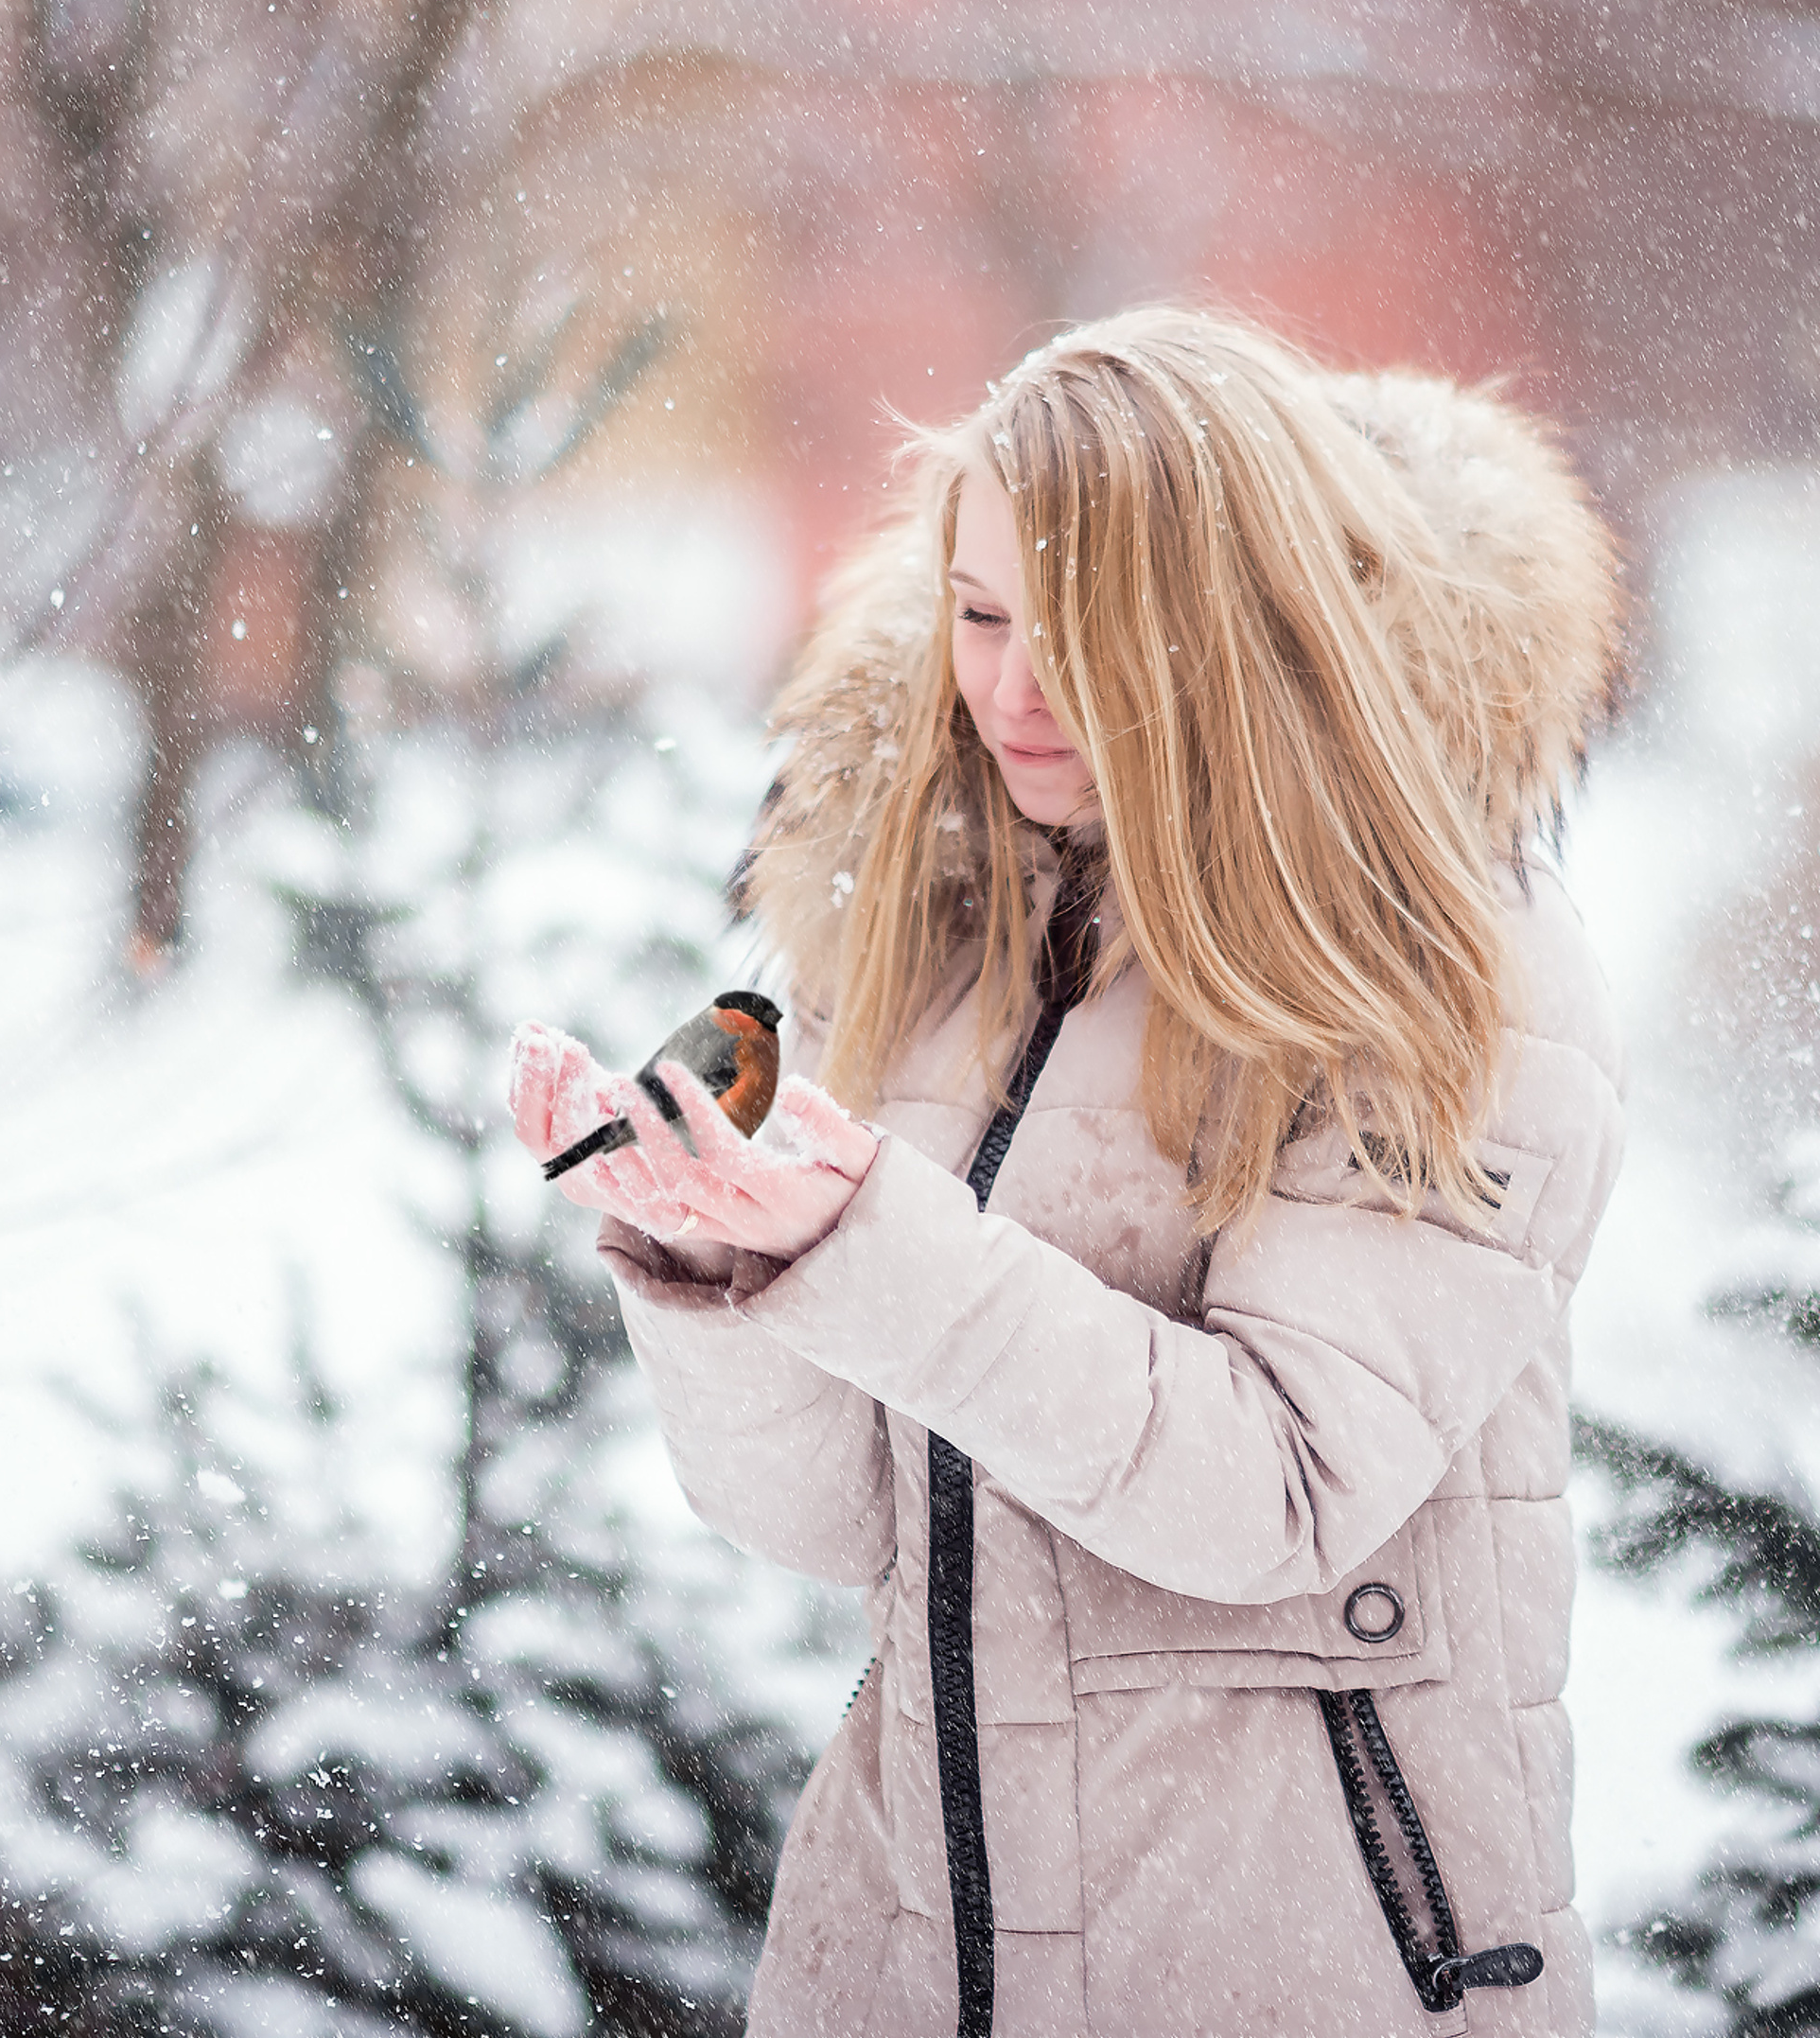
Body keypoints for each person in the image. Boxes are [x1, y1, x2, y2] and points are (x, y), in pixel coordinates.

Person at [507, 307, 1625, 2038]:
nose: (1014, 694)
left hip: (1300, 1957)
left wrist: (879, 1246)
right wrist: (729, 1262)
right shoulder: (963, 926)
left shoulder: (1448, 968)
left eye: (1089, 636)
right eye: (976, 616)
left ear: (1231, 627)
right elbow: (842, 1526)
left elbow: (1280, 1489)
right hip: (921, 1946)